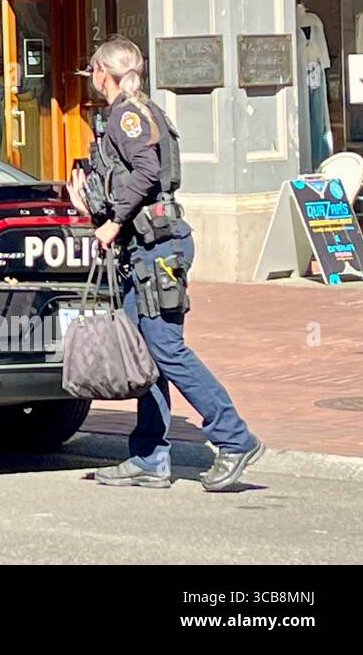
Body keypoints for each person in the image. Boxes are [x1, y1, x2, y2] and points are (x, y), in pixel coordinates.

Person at [68, 35, 263, 492]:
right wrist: (92, 206)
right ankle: (149, 456)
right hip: (149, 250)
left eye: (93, 72)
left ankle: (234, 439)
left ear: (104, 73)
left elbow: (146, 172)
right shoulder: (133, 112)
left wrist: (112, 222)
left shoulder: (129, 115)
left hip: (158, 251)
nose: (91, 80)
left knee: (167, 348)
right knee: (147, 351)